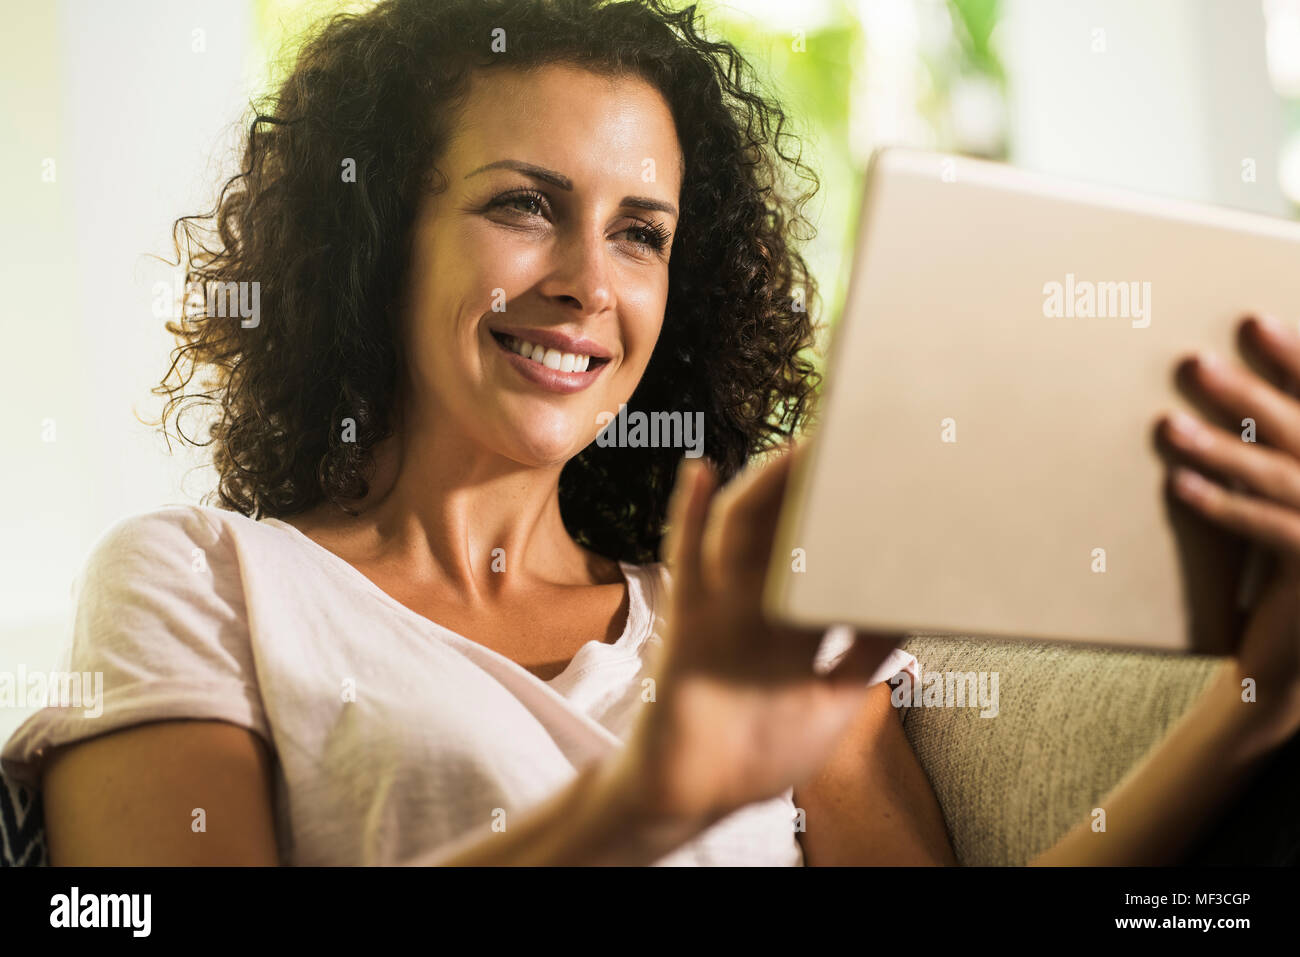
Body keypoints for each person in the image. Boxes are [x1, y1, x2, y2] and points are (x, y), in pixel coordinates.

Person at [4, 0, 1299, 866]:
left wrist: (1251, 706)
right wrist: (647, 799)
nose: (589, 281)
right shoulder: (199, 580)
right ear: (376, 232)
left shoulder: (729, 611)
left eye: (641, 232)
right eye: (524, 205)